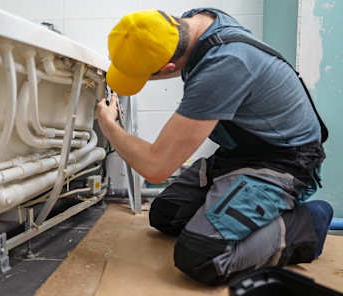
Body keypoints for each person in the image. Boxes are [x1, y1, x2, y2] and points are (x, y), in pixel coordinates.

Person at [95, 8, 333, 285]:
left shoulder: (222, 66)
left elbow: (155, 167)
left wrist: (108, 125)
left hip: (283, 162)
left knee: (200, 256)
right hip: (238, 153)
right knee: (166, 215)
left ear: (170, 68)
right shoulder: (198, 21)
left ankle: (309, 225)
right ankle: (235, 211)